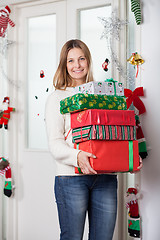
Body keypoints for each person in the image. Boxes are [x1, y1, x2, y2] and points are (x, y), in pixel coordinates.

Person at [45, 39, 142, 240]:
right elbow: (55, 144)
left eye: (81, 59)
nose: (77, 65)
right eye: (70, 61)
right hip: (71, 179)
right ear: (64, 65)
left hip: (105, 177)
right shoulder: (57, 98)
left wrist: (128, 157)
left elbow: (113, 134)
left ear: (88, 61)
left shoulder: (103, 95)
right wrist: (78, 155)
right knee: (72, 237)